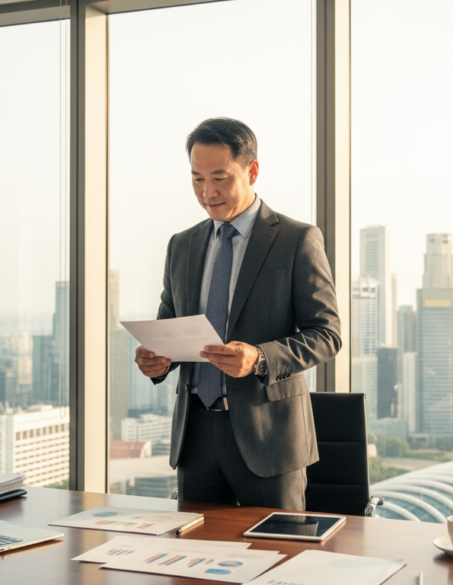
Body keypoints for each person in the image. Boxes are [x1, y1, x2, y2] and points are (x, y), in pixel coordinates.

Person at [134, 117, 341, 511]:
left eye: (220, 178)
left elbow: (327, 334)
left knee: (275, 559)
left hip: (270, 440)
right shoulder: (182, 245)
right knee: (194, 565)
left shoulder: (296, 240)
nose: (207, 193)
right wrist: (155, 361)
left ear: (252, 171)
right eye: (197, 179)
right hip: (195, 438)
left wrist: (260, 358)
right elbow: (169, 329)